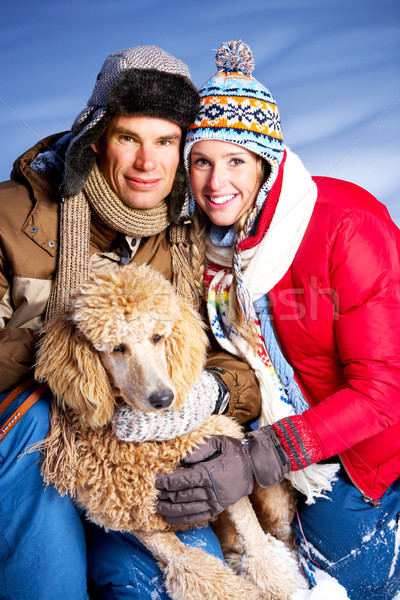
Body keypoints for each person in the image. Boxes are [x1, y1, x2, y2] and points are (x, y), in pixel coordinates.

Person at [0, 45, 263, 599]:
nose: (149, 163)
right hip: (34, 446)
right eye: (129, 139)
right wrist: (75, 351)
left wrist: (212, 392)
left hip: (132, 449)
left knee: (170, 579)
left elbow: (221, 349)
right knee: (53, 585)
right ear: (96, 139)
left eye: (166, 141)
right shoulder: (11, 218)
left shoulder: (185, 236)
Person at [156, 40, 400, 600]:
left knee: (355, 583)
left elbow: (384, 392)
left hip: (376, 437)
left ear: (267, 162)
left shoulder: (344, 228)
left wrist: (257, 457)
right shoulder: (206, 249)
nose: (216, 183)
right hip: (308, 431)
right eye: (201, 160)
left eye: (235, 160)